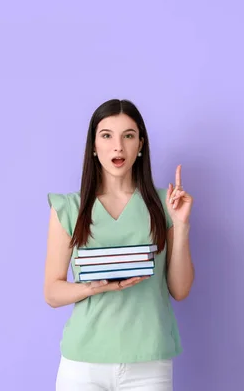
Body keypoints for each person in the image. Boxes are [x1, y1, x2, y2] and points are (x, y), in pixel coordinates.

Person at [43, 98, 195, 390]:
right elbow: (52, 291)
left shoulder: (166, 204)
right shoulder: (68, 208)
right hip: (83, 363)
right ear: (93, 146)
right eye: (107, 135)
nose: (118, 146)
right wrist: (93, 287)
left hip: (148, 362)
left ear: (140, 145)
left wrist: (182, 223)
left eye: (128, 136)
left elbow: (180, 289)